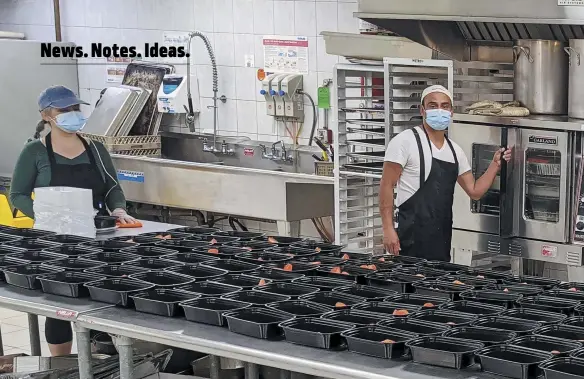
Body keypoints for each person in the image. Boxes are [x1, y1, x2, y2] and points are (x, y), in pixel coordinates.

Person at [10, 85, 138, 356]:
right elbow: (18, 194)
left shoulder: (95, 149)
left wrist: (118, 210)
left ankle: (102, 359)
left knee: (99, 298)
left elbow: (113, 187)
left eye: (75, 109)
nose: (72, 114)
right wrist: (46, 215)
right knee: (59, 305)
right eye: (63, 110)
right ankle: (63, 364)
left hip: (96, 239)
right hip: (52, 242)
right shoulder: (35, 151)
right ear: (47, 116)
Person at [379, 85, 511, 262]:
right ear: (422, 110)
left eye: (444, 106)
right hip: (408, 238)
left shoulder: (455, 151)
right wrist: (388, 229)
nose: (439, 110)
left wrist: (495, 165)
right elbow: (386, 185)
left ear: (451, 112)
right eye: (433, 106)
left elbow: (475, 191)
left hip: (440, 240)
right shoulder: (405, 142)